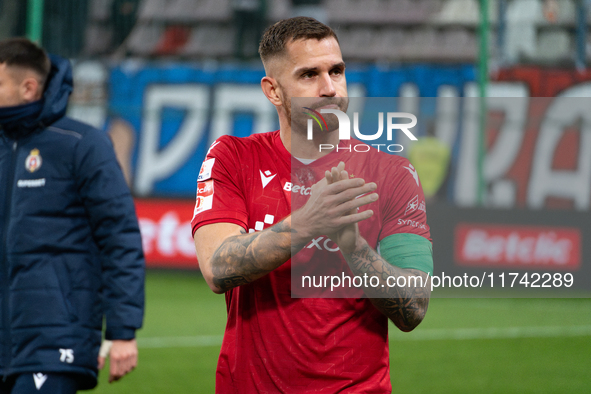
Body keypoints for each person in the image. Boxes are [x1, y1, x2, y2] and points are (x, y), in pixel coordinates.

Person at [192, 17, 433, 393]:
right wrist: (308, 222)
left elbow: (414, 307)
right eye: (309, 75)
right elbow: (217, 268)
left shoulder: (392, 174)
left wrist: (353, 246)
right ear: (273, 91)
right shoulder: (234, 157)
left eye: (337, 71)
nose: (329, 88)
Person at [0, 38, 144, 393]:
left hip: (55, 337)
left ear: (28, 87)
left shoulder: (82, 144)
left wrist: (123, 331)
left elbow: (120, 237)